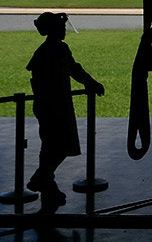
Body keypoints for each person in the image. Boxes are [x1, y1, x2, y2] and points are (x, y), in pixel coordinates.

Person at [26, 12, 104, 212]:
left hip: (50, 105)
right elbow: (74, 70)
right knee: (59, 146)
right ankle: (41, 177)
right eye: (61, 27)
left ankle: (48, 187)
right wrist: (92, 83)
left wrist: (91, 82)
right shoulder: (56, 50)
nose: (64, 30)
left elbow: (73, 69)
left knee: (50, 147)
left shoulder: (48, 50)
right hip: (54, 106)